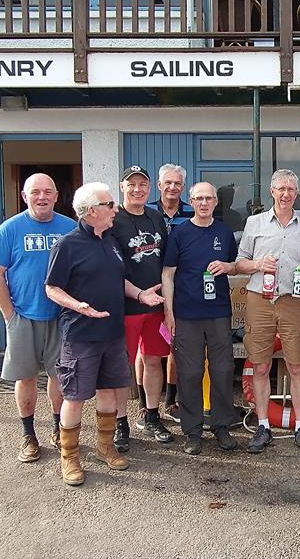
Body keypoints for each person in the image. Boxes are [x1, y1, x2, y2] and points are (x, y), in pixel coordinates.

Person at [45, 182, 165, 486]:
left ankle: (105, 447)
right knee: (75, 396)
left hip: (112, 331)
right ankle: (69, 457)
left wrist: (141, 296)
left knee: (110, 391)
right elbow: (52, 288)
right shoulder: (67, 245)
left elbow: (120, 279)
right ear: (91, 211)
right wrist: (77, 305)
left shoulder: (109, 240)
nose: (115, 209)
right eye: (110, 204)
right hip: (81, 333)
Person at [0, 173, 76, 463]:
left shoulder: (70, 228)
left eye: (48, 191)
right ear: (25, 196)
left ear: (57, 196)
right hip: (23, 317)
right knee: (25, 377)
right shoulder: (10, 229)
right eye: (35, 192)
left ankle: (58, 428)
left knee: (59, 377)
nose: (42, 197)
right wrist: (10, 316)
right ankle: (28, 435)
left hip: (61, 318)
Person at [235, 169, 300, 456]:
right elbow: (239, 263)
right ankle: (263, 425)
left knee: (296, 365)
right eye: (281, 189)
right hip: (260, 300)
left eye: (291, 190)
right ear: (271, 191)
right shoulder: (254, 223)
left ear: (297, 193)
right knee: (260, 366)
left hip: (292, 300)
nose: (286, 194)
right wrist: (258, 265)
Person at [162, 182, 239, 456]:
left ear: (216, 202)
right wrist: (169, 313)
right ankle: (192, 430)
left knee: (222, 370)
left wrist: (228, 267)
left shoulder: (224, 232)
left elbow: (232, 266)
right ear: (191, 202)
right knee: (190, 373)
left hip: (218, 313)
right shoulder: (179, 234)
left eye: (208, 198)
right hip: (187, 314)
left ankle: (221, 427)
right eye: (198, 199)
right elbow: (168, 274)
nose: (204, 203)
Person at [112, 165, 171, 450]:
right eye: (131, 184)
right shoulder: (113, 220)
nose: (137, 189)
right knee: (122, 365)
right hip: (126, 307)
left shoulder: (156, 218)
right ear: (122, 186)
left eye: (142, 184)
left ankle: (151, 415)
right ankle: (120, 422)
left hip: (156, 307)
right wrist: (137, 295)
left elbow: (167, 265)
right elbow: (110, 268)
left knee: (153, 361)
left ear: (150, 188)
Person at [150, 163, 194, 423]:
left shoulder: (191, 211)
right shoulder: (147, 212)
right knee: (150, 350)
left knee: (175, 342)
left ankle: (171, 400)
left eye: (177, 183)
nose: (172, 187)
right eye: (168, 182)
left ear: (183, 187)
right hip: (148, 285)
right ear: (159, 185)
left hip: (180, 286)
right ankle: (147, 403)